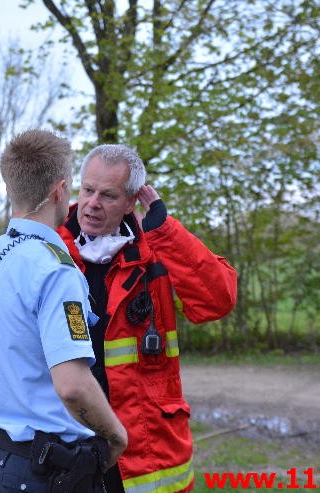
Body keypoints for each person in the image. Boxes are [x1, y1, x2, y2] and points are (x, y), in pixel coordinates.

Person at [0, 128, 128, 493]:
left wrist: (15, 399)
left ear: (9, 187)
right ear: (59, 190)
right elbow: (73, 386)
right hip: (44, 473)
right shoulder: (56, 271)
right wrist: (116, 436)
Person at [56, 144, 238, 493]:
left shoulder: (157, 249)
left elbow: (217, 301)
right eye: (87, 189)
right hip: (68, 436)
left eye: (107, 195)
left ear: (130, 201)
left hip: (144, 447)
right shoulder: (51, 249)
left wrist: (166, 231)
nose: (92, 203)